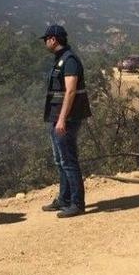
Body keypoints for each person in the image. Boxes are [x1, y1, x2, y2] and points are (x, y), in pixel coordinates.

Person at [39, 25, 92, 218]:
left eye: (46, 39)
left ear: (53, 39)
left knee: (68, 160)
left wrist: (62, 119)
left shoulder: (69, 60)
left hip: (66, 119)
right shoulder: (61, 60)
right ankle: (64, 199)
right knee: (60, 160)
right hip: (57, 118)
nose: (45, 42)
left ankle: (77, 203)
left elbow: (70, 91)